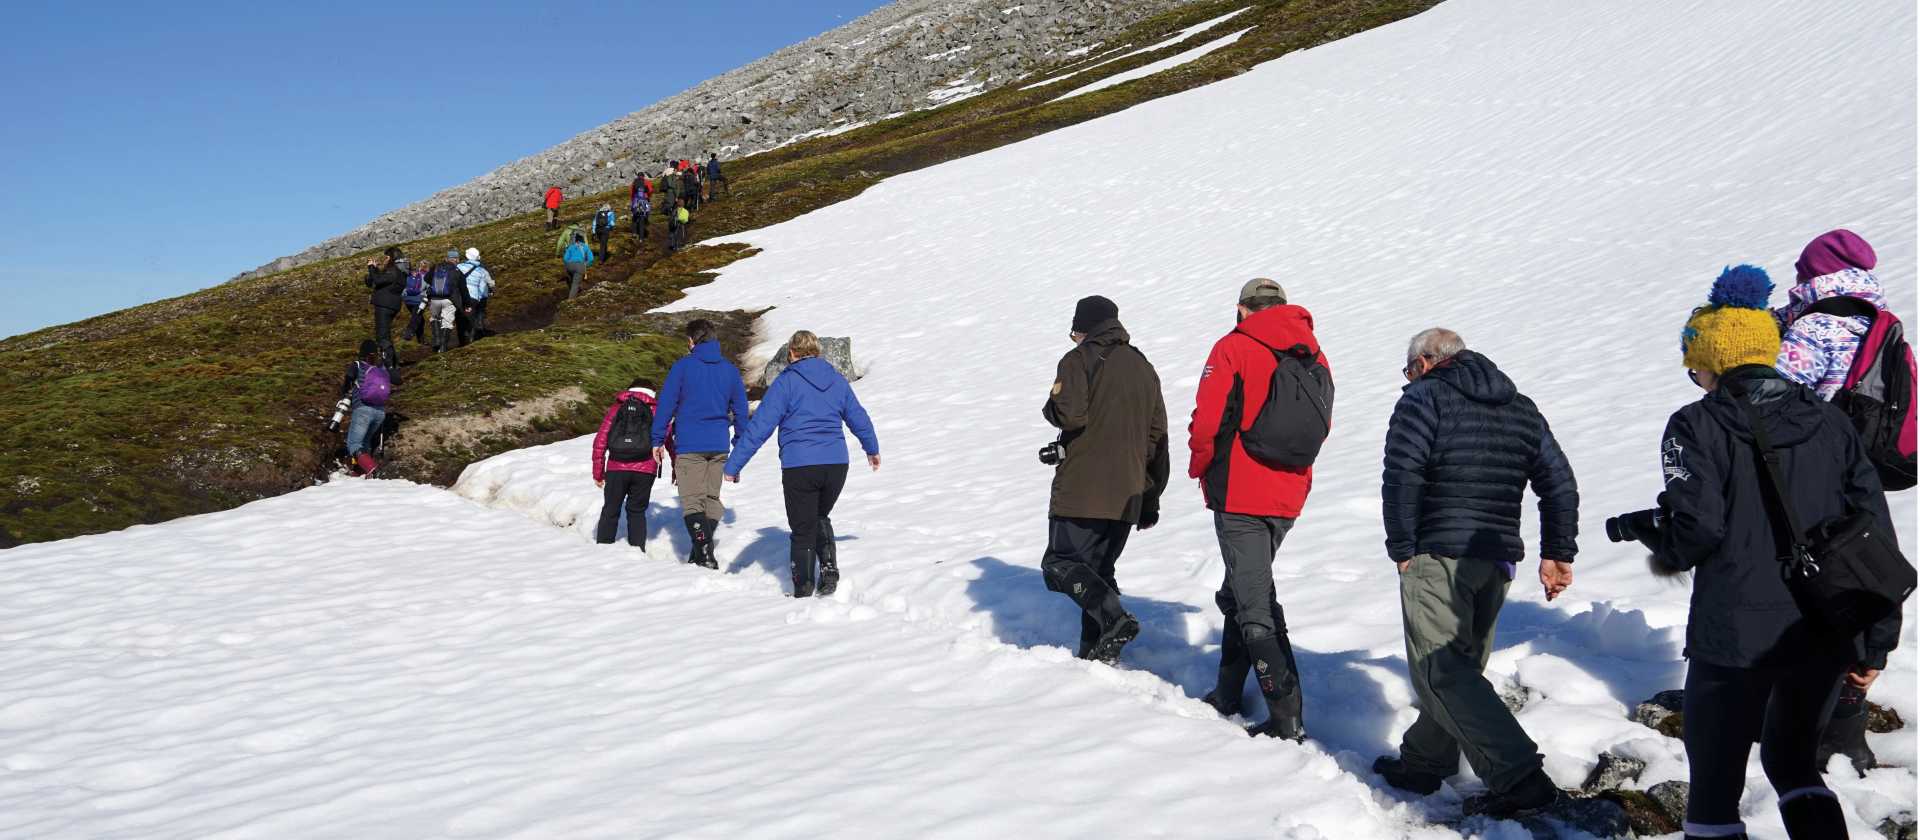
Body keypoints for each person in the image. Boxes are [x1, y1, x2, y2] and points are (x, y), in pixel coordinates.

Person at [1632, 265, 1897, 840]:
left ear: (1712, 360)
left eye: (1694, 362)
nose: (1692, 374)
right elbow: (1873, 529)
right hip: (1826, 627)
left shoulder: (1694, 424)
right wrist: (1877, 639)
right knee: (1794, 765)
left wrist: (1658, 538)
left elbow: (1697, 531)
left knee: (1714, 789)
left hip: (1733, 637)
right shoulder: (1830, 419)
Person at [1373, 327, 1576, 818]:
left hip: (1438, 554)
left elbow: (1403, 474)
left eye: (1408, 370)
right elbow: (1559, 482)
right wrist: (1557, 551)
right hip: (1495, 559)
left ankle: (1521, 778)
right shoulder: (1520, 405)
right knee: (1458, 667)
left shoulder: (1424, 399)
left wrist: (1402, 545)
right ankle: (1425, 762)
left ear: (1424, 363)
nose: (1408, 378)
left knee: (1442, 672)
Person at [1770, 230, 1905, 778]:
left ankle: (1815, 732)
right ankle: (1849, 728)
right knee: (1859, 582)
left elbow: (1773, 394)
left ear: (1813, 274)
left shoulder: (1816, 327)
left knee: (1812, 591)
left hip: (1815, 477)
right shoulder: (1879, 323)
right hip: (1863, 474)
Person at [1187, 278, 1329, 740]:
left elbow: (1208, 418)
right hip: (1288, 493)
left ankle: (1287, 719)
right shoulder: (1313, 352)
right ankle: (1227, 693)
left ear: (1242, 309)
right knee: (1242, 590)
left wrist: (1200, 465)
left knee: (1253, 604)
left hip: (1241, 492)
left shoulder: (1233, 347)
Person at [1040, 295, 1169, 665]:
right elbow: (1157, 436)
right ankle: (1095, 656)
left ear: (1082, 329)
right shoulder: (1144, 367)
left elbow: (1070, 415)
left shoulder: (1078, 360)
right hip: (1128, 492)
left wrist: (1050, 406)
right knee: (1098, 572)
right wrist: (1150, 496)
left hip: (1083, 488)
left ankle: (1114, 619)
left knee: (1060, 564)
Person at [724, 331, 880, 597]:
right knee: (819, 515)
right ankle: (829, 570)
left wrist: (733, 464)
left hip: (800, 465)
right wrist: (871, 448)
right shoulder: (836, 380)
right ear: (817, 352)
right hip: (836, 465)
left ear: (792, 353)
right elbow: (858, 417)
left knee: (802, 528)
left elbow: (759, 427)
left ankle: (803, 588)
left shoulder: (786, 383)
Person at [651, 319, 750, 568]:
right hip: (719, 444)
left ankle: (705, 554)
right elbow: (740, 409)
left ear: (691, 341)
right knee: (712, 499)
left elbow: (666, 405)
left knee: (692, 501)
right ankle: (699, 552)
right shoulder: (729, 370)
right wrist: (739, 442)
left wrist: (657, 439)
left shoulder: (683, 367)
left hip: (690, 444)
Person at [1775, 229, 1887, 400]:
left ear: (1816, 273)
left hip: (1814, 424)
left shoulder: (1813, 329)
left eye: (1802, 271)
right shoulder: (1876, 317)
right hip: (1862, 423)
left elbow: (1771, 395)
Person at [592, 378, 662, 549]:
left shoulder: (617, 408)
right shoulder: (657, 410)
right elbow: (665, 438)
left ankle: (602, 550)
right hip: (646, 469)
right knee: (637, 512)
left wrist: (598, 472)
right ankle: (637, 553)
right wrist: (676, 465)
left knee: (610, 510)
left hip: (617, 467)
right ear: (652, 392)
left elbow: (600, 441)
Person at [339, 339, 394, 477]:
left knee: (354, 444)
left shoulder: (357, 365)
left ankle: (372, 469)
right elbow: (397, 380)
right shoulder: (380, 369)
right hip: (380, 412)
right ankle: (360, 472)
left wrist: (345, 396)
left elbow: (347, 382)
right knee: (365, 442)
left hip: (363, 409)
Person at [363, 247, 409, 367]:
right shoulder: (399, 271)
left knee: (382, 336)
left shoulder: (393, 270)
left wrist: (372, 267)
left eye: (387, 257)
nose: (385, 260)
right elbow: (376, 281)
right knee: (386, 335)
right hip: (392, 304)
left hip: (384, 305)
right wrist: (376, 270)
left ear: (393, 258)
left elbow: (378, 281)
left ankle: (388, 365)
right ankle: (393, 362)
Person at [424, 249, 468, 353]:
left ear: (446, 258)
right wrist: (467, 304)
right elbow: (463, 289)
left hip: (434, 299)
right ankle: (443, 347)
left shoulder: (436, 268)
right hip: (449, 300)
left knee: (435, 318)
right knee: (447, 323)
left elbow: (426, 278)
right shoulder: (457, 272)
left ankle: (437, 340)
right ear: (456, 260)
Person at [457, 248, 494, 345]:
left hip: (459, 297)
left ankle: (462, 342)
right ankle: (472, 339)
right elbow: (489, 284)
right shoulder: (482, 270)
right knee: (472, 318)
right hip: (473, 297)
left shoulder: (459, 266)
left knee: (460, 319)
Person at [401, 262, 429, 345]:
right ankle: (409, 333)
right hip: (419, 301)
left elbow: (403, 290)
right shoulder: (425, 276)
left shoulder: (406, 277)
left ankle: (421, 339)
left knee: (420, 319)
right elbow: (429, 289)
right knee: (416, 317)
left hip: (408, 301)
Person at [562, 234, 595, 299]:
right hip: (580, 266)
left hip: (569, 265)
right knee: (575, 284)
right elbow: (591, 259)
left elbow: (565, 259)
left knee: (572, 277)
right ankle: (570, 300)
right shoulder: (585, 247)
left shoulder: (571, 247)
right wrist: (586, 265)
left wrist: (568, 264)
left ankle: (572, 287)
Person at [630, 173, 652, 242]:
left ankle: (634, 232)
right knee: (642, 219)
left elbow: (631, 192)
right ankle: (641, 238)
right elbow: (651, 190)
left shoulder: (634, 182)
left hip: (636, 202)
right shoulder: (647, 182)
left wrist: (633, 200)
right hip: (644, 202)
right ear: (643, 176)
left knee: (634, 218)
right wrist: (647, 196)